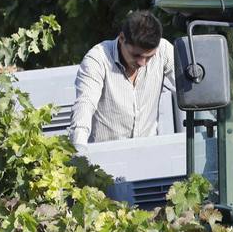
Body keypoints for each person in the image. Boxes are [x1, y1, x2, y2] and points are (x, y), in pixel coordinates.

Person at [70, 9, 175, 145]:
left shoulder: (164, 50)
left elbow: (189, 90)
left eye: (149, 57)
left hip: (148, 150)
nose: (142, 63)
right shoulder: (98, 58)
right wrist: (79, 147)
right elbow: (85, 104)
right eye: (136, 55)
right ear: (121, 38)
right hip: (106, 153)